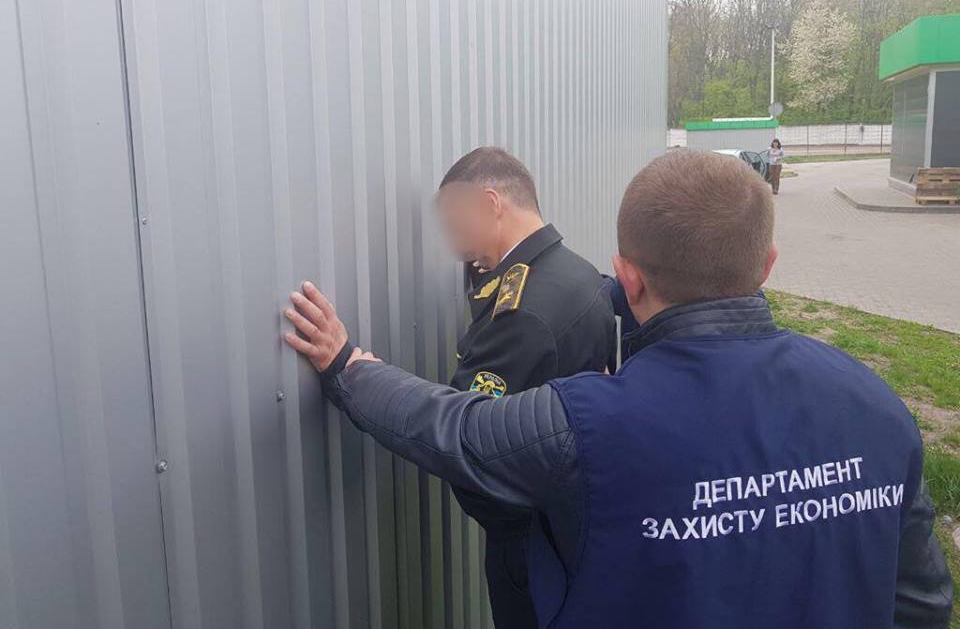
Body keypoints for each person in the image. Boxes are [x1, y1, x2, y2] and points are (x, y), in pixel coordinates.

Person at [283, 150, 952, 628]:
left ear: (628, 278)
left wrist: (347, 365)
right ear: (768, 265)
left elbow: (455, 429)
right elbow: (922, 602)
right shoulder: (874, 404)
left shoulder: (588, 424)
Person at [293, 146, 614, 628]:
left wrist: (350, 369)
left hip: (533, 548)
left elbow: (465, 435)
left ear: (491, 203)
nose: (452, 241)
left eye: (455, 221)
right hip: (571, 525)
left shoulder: (523, 313)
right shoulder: (576, 273)